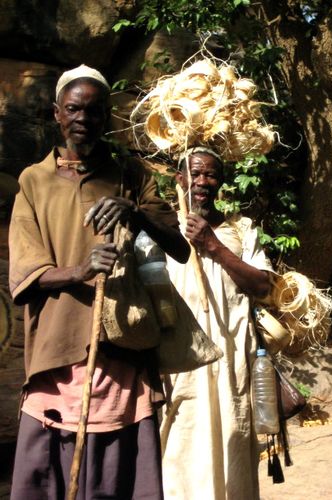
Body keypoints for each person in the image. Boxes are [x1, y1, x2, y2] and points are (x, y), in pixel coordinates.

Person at [8, 64, 190, 500]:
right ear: (56, 113)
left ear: (107, 116)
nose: (83, 120)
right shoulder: (33, 182)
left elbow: (180, 247)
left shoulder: (132, 175)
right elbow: (26, 277)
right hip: (57, 347)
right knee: (47, 477)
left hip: (122, 348)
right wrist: (81, 270)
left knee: (117, 477)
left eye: (94, 112)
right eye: (73, 110)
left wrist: (134, 212)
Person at [161, 147, 273, 500]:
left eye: (210, 174)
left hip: (230, 366)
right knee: (177, 455)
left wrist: (213, 245)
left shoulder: (241, 230)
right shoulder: (164, 231)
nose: (202, 182)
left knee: (232, 449)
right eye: (194, 173)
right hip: (178, 368)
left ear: (220, 181)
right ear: (179, 179)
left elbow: (264, 287)